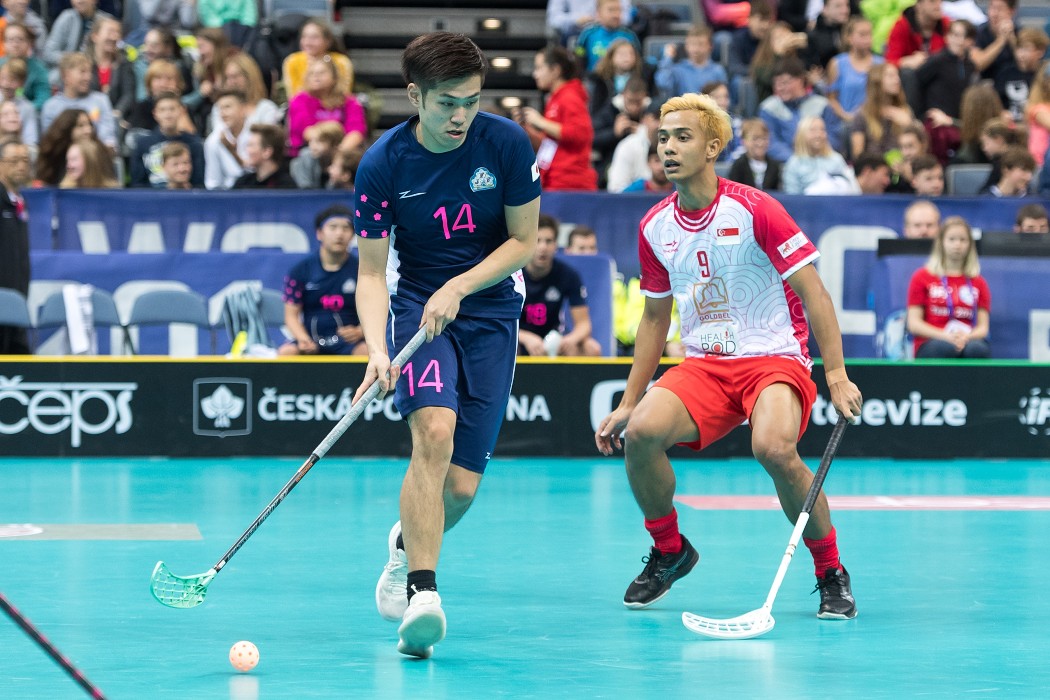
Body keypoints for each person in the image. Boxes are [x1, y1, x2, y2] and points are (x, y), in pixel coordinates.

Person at [594, 92, 863, 620]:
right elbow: (654, 320)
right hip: (704, 365)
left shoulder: (757, 208)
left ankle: (830, 569)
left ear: (714, 146)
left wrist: (836, 375)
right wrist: (629, 401)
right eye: (663, 138)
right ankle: (670, 550)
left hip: (774, 359)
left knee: (774, 449)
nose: (668, 147)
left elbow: (815, 294)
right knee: (642, 434)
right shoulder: (655, 227)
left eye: (682, 137)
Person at [351, 32, 541, 660]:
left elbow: (522, 242)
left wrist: (459, 285)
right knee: (433, 432)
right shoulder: (383, 164)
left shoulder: (507, 144)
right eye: (447, 103)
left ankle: (404, 547)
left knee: (458, 489)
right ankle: (423, 592)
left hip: (489, 310)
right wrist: (378, 349)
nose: (461, 116)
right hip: (417, 310)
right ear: (415, 96)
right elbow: (373, 274)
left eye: (472, 101)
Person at [280, 204, 366, 356]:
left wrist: (360, 331)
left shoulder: (363, 271)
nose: (339, 234)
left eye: (346, 228)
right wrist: (303, 339)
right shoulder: (300, 270)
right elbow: (291, 315)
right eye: (333, 227)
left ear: (353, 235)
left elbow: (375, 307)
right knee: (286, 352)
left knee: (366, 352)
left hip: (349, 342)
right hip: (311, 339)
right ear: (319, 233)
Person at [906, 216, 990, 358]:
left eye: (963, 240)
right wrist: (946, 336)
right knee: (946, 348)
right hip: (931, 341)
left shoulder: (979, 282)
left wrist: (966, 337)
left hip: (966, 339)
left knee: (977, 350)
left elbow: (983, 328)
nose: (957, 245)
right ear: (941, 243)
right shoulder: (922, 277)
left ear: (970, 244)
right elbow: (914, 324)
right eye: (952, 239)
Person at [516, 45, 598, 191]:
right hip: (555, 180)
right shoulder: (555, 99)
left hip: (571, 185)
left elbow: (580, 134)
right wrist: (527, 130)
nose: (535, 74)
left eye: (539, 68)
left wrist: (540, 122)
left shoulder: (570, 97)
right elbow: (550, 143)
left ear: (555, 70)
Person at [518, 215, 602, 357]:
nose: (543, 247)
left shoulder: (568, 275)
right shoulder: (514, 274)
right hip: (520, 340)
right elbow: (500, 322)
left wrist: (569, 340)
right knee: (505, 346)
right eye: (537, 240)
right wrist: (525, 337)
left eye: (549, 241)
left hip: (554, 343)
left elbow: (584, 325)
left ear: (556, 245)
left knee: (591, 348)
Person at [286, 57, 367, 157]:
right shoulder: (299, 100)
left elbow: (356, 131)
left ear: (334, 78)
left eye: (321, 73)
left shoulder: (349, 101)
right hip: (309, 149)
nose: (316, 76)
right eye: (312, 73)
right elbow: (306, 132)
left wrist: (340, 152)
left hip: (343, 151)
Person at [41, 52, 117, 149]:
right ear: (65, 76)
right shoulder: (51, 107)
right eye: (82, 72)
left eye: (89, 72)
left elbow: (108, 138)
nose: (88, 77)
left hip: (96, 157)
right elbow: (50, 143)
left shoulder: (101, 100)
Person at [129, 91, 205, 188]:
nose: (168, 114)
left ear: (182, 110)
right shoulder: (143, 144)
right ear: (155, 113)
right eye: (162, 110)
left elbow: (198, 184)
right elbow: (137, 184)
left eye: (172, 109)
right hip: (151, 199)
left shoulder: (194, 143)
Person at [0, 137, 30, 354]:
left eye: (25, 160)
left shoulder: (17, 202)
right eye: (14, 160)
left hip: (17, 302)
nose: (21, 166)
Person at [781, 115, 858, 195]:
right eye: (813, 130)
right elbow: (792, 196)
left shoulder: (836, 159)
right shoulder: (794, 163)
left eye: (822, 130)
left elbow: (850, 188)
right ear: (802, 134)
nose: (818, 135)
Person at [654, 25, 727, 104]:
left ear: (710, 46)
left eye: (700, 44)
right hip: (684, 112)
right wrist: (668, 58)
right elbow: (663, 84)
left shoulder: (718, 70)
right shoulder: (678, 69)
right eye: (692, 44)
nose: (696, 49)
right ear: (686, 46)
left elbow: (724, 99)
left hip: (710, 113)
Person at [282, 18, 353, 99]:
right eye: (304, 36)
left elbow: (344, 94)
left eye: (314, 37)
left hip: (334, 106)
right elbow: (293, 96)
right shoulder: (292, 61)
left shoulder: (341, 62)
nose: (308, 42)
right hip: (304, 107)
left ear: (328, 41)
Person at [573, 0, 640, 73]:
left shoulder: (629, 36)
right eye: (611, 10)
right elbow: (578, 60)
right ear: (598, 13)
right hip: (593, 80)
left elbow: (638, 64)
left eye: (619, 10)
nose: (616, 15)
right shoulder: (587, 35)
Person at [231, 123, 297, 189]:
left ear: (267, 152)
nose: (248, 150)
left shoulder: (286, 186)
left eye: (251, 145)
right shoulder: (243, 183)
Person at [727, 117, 782, 190]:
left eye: (764, 138)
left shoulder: (774, 166)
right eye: (755, 139)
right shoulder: (738, 166)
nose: (760, 143)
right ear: (743, 141)